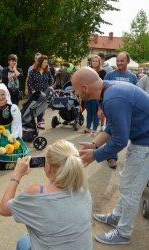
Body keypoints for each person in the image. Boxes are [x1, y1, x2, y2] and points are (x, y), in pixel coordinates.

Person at [72, 67, 149, 245]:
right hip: (141, 140)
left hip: (145, 145)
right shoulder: (107, 90)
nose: (75, 93)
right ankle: (117, 217)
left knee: (130, 190)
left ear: (84, 88)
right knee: (126, 183)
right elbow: (112, 127)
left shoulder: (113, 98)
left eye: (75, 89)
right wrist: (94, 145)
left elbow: (120, 140)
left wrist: (95, 155)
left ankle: (123, 233)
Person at [0, 139, 92, 250]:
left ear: (47, 168)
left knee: (23, 242)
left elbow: (3, 209)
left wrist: (17, 174)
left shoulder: (37, 194)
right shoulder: (84, 190)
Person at [104, 51, 138, 169]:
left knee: (123, 134)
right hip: (112, 110)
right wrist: (100, 108)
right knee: (111, 133)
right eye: (118, 60)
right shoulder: (110, 75)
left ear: (127, 61)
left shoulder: (133, 77)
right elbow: (102, 93)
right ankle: (111, 157)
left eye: (122, 61)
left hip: (127, 112)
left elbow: (136, 95)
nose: (119, 63)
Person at [0, 84, 29, 170]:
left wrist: (13, 136)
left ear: (7, 94)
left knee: (10, 146)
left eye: (3, 94)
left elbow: (16, 125)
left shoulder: (13, 108)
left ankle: (4, 163)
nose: (0, 97)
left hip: (8, 133)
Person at [27, 55, 53, 129]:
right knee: (33, 108)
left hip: (44, 94)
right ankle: (31, 122)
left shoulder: (47, 72)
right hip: (35, 94)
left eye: (47, 62)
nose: (46, 64)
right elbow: (29, 82)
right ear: (40, 62)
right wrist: (32, 90)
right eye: (45, 62)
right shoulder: (33, 72)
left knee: (41, 109)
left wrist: (49, 87)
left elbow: (51, 81)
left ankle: (39, 123)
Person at [82, 55, 106, 134]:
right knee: (89, 112)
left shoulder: (102, 72)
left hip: (97, 95)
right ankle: (88, 128)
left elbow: (103, 84)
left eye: (96, 61)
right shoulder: (87, 70)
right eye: (93, 61)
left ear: (99, 62)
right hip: (88, 94)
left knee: (96, 112)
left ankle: (94, 129)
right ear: (91, 62)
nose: (94, 62)